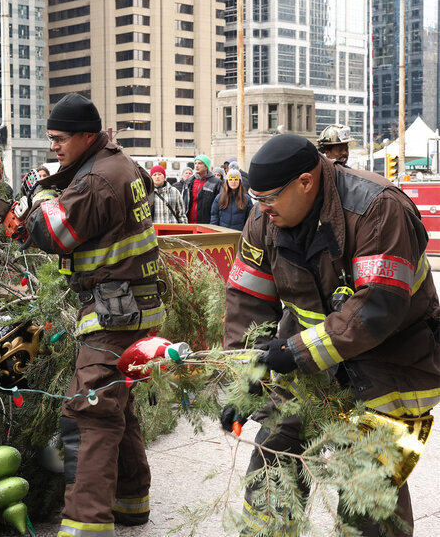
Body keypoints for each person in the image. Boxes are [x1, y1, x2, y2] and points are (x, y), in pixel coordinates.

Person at [220, 134, 440, 536]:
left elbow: (377, 308)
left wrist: (296, 351)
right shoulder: (264, 217)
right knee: (274, 464)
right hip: (306, 361)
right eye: (257, 199)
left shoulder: (378, 208)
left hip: (389, 365)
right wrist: (244, 379)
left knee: (371, 498)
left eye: (268, 199)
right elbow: (247, 301)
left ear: (305, 182)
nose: (261, 209)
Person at [22, 93, 164, 535]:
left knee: (89, 411)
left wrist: (36, 201)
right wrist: (54, 184)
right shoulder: (118, 163)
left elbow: (54, 232)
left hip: (115, 311)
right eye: (51, 139)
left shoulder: (99, 179)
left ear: (87, 136)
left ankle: (85, 525)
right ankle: (130, 500)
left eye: (61, 139)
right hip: (135, 305)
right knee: (116, 402)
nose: (55, 147)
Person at [181, 154, 222, 224]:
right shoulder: (189, 181)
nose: (196, 166)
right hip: (189, 223)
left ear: (206, 166)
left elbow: (220, 205)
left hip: (207, 223)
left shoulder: (216, 182)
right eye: (195, 163)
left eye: (200, 163)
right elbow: (182, 202)